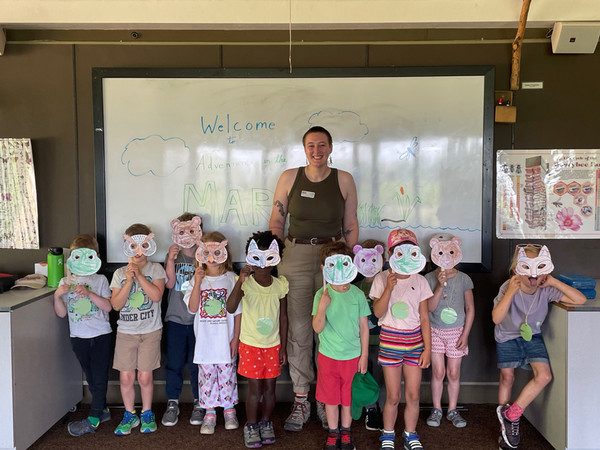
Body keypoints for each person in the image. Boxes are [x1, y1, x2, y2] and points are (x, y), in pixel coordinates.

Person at [269, 125, 359, 431]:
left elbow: (351, 223)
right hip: (294, 255)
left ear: (331, 148)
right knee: (299, 329)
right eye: (311, 145)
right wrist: (273, 257)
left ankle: (325, 398)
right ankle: (301, 398)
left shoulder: (344, 179)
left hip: (332, 259)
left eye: (322, 145)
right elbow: (277, 221)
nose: (316, 151)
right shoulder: (289, 177)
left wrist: (344, 263)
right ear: (304, 149)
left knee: (329, 328)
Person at [492, 244, 585, 449]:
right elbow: (496, 318)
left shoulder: (546, 288)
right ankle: (503, 429)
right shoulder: (508, 286)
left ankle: (511, 416)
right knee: (507, 378)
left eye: (540, 268)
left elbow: (580, 299)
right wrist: (510, 292)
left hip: (532, 337)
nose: (533, 276)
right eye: (527, 269)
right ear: (517, 269)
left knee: (544, 376)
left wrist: (553, 281)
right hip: (507, 336)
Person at [371, 229, 432, 450]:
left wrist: (428, 349)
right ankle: (388, 434)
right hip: (390, 342)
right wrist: (389, 287)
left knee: (413, 395)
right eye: (398, 251)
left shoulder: (421, 280)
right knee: (394, 395)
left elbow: (425, 317)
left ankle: (410, 434)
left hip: (415, 344)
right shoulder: (381, 278)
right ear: (390, 254)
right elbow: (377, 312)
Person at [227, 231, 288, 448]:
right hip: (251, 345)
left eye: (269, 257)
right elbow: (231, 307)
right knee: (255, 390)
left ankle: (265, 422)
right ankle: (251, 425)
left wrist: (283, 348)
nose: (263, 264)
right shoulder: (245, 283)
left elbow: (283, 316)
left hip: (273, 345)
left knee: (270, 389)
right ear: (249, 256)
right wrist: (240, 281)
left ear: (278, 257)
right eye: (257, 257)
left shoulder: (280, 284)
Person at [110, 223, 167, 435]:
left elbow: (156, 295)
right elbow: (116, 304)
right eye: (134, 246)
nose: (139, 251)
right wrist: (129, 279)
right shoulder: (118, 273)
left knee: (144, 376)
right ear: (127, 247)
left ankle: (147, 412)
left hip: (150, 332)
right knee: (126, 377)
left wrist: (140, 276)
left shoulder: (156, 269)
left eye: (144, 246)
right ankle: (129, 414)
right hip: (126, 333)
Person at [53, 234, 112, 436]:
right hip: (78, 337)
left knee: (99, 377)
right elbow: (61, 313)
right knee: (91, 376)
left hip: (100, 335)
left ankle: (93, 419)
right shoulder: (65, 281)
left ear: (96, 256)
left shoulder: (100, 279)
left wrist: (89, 294)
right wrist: (57, 295)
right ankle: (102, 410)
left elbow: (108, 306)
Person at [313, 241, 370, 450]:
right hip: (328, 357)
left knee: (348, 398)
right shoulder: (322, 295)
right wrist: (322, 307)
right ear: (325, 268)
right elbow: (317, 328)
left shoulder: (356, 294)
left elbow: (364, 327)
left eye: (345, 265)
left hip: (352, 357)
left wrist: (364, 355)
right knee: (331, 399)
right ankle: (333, 432)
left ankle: (346, 432)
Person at [183, 231, 241, 435]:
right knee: (206, 378)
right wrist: (198, 282)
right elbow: (192, 308)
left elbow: (238, 312)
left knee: (227, 375)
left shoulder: (232, 279)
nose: (211, 258)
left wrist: (236, 338)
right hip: (205, 343)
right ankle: (209, 412)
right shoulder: (194, 281)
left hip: (225, 340)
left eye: (216, 252)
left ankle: (228, 410)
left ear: (224, 253)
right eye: (206, 252)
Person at [424, 234, 474, 429]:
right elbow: (429, 307)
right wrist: (439, 284)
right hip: (434, 330)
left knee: (453, 372)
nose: (446, 256)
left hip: (457, 331)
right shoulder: (429, 278)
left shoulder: (464, 279)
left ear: (457, 252)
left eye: (450, 252)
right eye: (441, 252)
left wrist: (465, 334)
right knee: (438, 371)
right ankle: (436, 408)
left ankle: (452, 409)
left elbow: (470, 308)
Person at [162, 213, 205, 427]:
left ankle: (199, 402)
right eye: (182, 231)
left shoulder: (205, 256)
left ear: (199, 231)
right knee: (175, 363)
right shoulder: (175, 256)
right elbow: (169, 284)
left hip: (199, 321)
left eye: (191, 231)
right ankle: (172, 402)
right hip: (175, 319)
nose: (187, 235)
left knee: (197, 364)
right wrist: (170, 259)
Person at [352, 239, 387, 431]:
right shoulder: (355, 287)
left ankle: (381, 410)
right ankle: (371, 410)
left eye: (375, 259)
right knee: (365, 377)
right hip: (361, 344)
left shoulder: (388, 284)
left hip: (385, 341)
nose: (370, 264)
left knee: (382, 379)